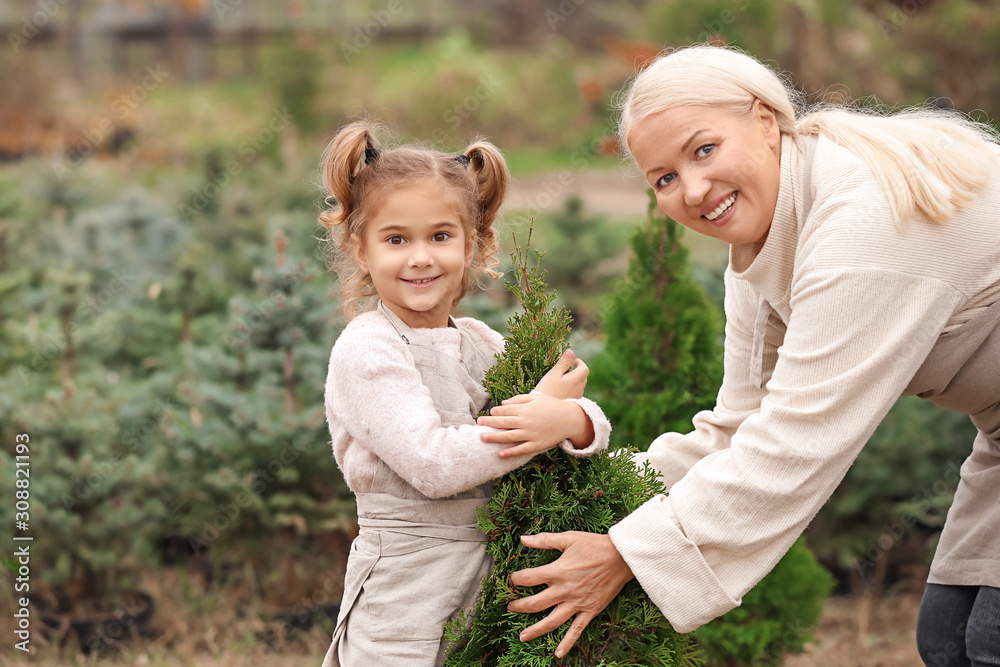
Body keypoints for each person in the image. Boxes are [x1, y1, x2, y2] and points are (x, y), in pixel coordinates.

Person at [504, 44, 1000, 666]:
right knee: (948, 641)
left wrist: (628, 554)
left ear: (766, 121)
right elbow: (736, 430)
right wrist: (596, 485)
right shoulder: (764, 248)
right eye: (664, 178)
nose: (693, 189)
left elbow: (795, 445)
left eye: (703, 149)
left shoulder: (860, 224)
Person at [315, 120, 612, 667]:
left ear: (473, 244)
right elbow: (431, 464)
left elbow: (578, 409)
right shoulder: (369, 348)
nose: (421, 257)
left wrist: (573, 423)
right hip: (407, 586)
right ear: (361, 251)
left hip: (493, 576)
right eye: (396, 239)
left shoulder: (481, 341)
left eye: (441, 236)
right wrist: (534, 424)